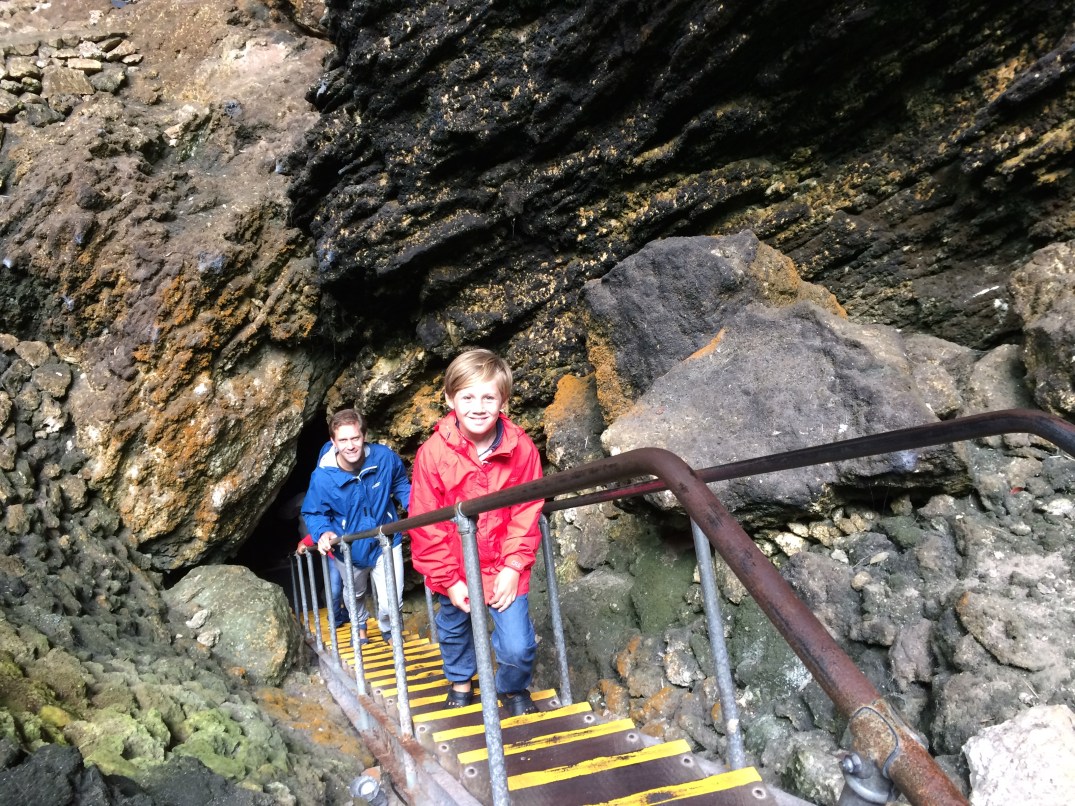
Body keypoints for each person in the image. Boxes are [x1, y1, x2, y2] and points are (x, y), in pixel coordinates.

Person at [409, 349, 544, 716]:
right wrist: (449, 578)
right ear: (450, 399)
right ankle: (460, 680)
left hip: (504, 563)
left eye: (489, 397)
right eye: (468, 397)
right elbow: (425, 520)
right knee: (454, 630)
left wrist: (514, 567)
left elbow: (527, 510)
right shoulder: (432, 454)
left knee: (518, 645)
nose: (479, 407)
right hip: (454, 564)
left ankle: (511, 687)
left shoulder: (521, 448)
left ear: (504, 400)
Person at [301, 409, 411, 645]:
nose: (350, 446)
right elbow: (314, 511)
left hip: (385, 540)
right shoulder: (322, 477)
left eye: (355, 438)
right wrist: (323, 532)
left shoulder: (384, 458)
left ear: (364, 436)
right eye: (343, 440)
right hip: (348, 548)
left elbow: (400, 481)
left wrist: (414, 504)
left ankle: (389, 629)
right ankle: (359, 625)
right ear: (333, 442)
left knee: (391, 600)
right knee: (355, 594)